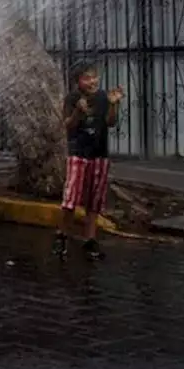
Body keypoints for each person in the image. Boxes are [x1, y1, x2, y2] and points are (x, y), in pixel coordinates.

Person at [55, 62, 122, 260]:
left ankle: (90, 240)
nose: (92, 81)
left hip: (99, 154)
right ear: (78, 81)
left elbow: (110, 122)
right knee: (71, 199)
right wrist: (78, 111)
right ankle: (62, 236)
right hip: (78, 153)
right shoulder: (72, 98)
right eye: (87, 78)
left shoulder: (103, 97)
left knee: (95, 200)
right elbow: (67, 125)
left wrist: (113, 104)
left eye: (94, 76)